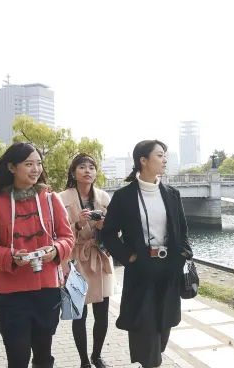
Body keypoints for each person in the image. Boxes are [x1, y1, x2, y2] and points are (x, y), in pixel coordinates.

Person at [101, 140, 193, 368]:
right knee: (146, 332)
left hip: (169, 271)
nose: (165, 160)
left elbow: (183, 232)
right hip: (141, 270)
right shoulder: (124, 197)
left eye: (165, 155)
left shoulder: (172, 194)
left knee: (163, 330)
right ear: (143, 161)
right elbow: (109, 234)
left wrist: (183, 254)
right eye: (160, 155)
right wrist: (129, 257)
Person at [0, 142, 74, 368]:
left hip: (47, 292)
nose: (36, 169)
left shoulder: (51, 200)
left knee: (44, 358)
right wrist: (11, 256)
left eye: (38, 163)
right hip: (12, 296)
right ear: (12, 168)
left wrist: (55, 250)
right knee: (18, 359)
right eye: (29, 164)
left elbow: (67, 237)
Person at [59, 153, 116, 368]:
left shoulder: (104, 197)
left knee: (102, 314)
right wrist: (78, 225)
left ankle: (97, 356)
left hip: (99, 258)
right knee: (78, 315)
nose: (87, 171)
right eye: (82, 167)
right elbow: (55, 235)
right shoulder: (60, 198)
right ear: (73, 173)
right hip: (73, 260)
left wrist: (104, 228)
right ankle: (84, 361)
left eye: (91, 167)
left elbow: (115, 233)